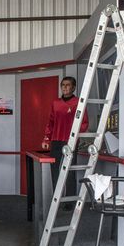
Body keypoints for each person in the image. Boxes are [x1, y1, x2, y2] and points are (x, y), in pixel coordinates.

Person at [42, 76, 89, 205]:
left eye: (68, 85)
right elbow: (50, 122)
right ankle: (56, 200)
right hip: (56, 141)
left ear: (73, 87)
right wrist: (46, 138)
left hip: (71, 142)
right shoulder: (55, 103)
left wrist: (75, 138)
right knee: (55, 170)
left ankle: (69, 202)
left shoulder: (78, 102)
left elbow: (84, 123)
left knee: (69, 172)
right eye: (63, 85)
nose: (65, 87)